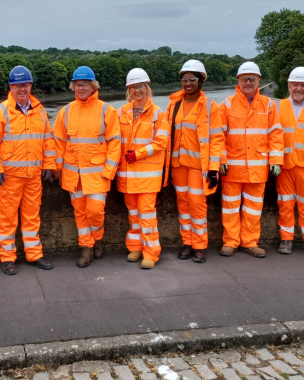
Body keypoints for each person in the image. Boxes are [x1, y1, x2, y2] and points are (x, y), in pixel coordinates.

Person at [0, 66, 55, 275]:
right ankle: (7, 258)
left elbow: (47, 140)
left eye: (25, 85)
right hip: (9, 177)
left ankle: (34, 255)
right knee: (7, 219)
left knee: (33, 217)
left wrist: (49, 165)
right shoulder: (0, 112)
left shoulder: (39, 111)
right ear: (10, 87)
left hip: (33, 176)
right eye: (17, 85)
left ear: (31, 85)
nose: (22, 89)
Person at [53, 66, 121, 268]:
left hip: (98, 174)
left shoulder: (106, 110)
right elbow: (57, 142)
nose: (80, 88)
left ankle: (97, 237)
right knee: (79, 212)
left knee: (95, 211)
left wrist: (109, 171)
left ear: (93, 87)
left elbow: (115, 143)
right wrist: (57, 168)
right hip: (73, 174)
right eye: (77, 84)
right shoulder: (65, 111)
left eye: (84, 84)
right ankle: (86, 247)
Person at [219, 61, 284, 258]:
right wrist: (221, 159)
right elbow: (218, 135)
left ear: (259, 81)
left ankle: (250, 242)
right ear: (238, 80)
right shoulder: (227, 104)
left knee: (254, 208)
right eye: (244, 79)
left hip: (258, 167)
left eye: (252, 79)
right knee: (230, 207)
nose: (248, 82)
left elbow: (276, 134)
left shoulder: (268, 105)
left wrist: (276, 160)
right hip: (232, 168)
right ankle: (230, 242)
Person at [163, 60, 224, 263]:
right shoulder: (173, 104)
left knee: (197, 205)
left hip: (199, 166)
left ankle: (200, 246)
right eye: (184, 79)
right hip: (177, 165)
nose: (187, 83)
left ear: (201, 80)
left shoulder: (210, 107)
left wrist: (214, 169)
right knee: (183, 204)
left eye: (192, 79)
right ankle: (187, 243)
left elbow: (216, 139)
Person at [116, 68, 169, 269]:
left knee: (146, 214)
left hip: (147, 176)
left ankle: (151, 253)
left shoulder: (158, 113)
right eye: (133, 87)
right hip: (127, 175)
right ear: (128, 90)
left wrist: (138, 153)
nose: (136, 91)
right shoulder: (120, 112)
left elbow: (161, 141)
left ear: (147, 88)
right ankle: (136, 247)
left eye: (140, 87)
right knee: (133, 215)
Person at [274, 67, 304, 254]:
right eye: (295, 85)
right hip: (284, 165)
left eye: (303, 85)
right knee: (285, 203)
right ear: (289, 86)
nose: (299, 88)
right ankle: (286, 240)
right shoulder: (278, 106)